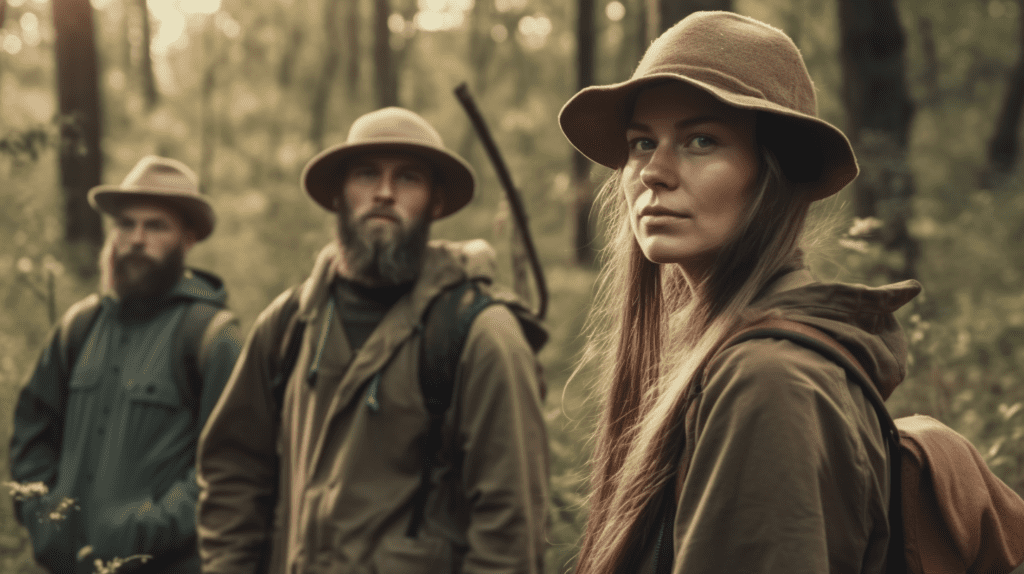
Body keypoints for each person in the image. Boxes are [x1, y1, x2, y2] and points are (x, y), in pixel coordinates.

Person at [558, 11, 921, 574]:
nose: (654, 171)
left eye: (702, 140)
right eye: (641, 142)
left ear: (774, 172)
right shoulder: (715, 350)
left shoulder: (768, 380)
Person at [196, 107, 549, 574]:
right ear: (339, 195)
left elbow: (510, 528)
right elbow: (233, 472)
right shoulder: (287, 324)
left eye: (407, 178)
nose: (384, 192)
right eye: (366, 174)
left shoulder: (481, 335)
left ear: (436, 203)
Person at [9, 155, 243, 574]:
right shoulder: (78, 327)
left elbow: (228, 468)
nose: (137, 238)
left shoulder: (212, 337)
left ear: (188, 239)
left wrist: (147, 532)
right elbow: (32, 434)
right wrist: (44, 519)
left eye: (156, 226)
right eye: (126, 224)